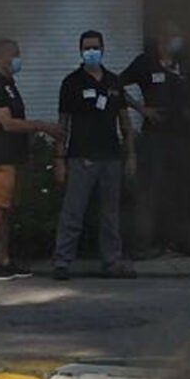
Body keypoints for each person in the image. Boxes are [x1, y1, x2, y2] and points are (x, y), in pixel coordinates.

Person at [0, 38, 64, 280]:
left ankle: (4, 259)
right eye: (15, 54)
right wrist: (41, 126)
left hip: (12, 158)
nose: (18, 58)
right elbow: (7, 123)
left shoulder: (9, 85)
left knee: (5, 212)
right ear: (2, 56)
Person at [52, 30, 134, 281]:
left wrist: (131, 155)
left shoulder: (113, 81)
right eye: (87, 48)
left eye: (95, 47)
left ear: (103, 49)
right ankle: (62, 262)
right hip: (81, 157)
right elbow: (63, 123)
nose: (91, 52)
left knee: (110, 214)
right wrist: (59, 159)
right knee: (73, 211)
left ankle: (112, 262)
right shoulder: (71, 83)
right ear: (80, 51)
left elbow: (125, 121)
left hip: (111, 156)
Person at [120, 25, 190, 260]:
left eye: (176, 35)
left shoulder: (184, 64)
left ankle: (180, 240)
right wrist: (141, 109)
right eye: (168, 35)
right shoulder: (145, 62)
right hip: (155, 135)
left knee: (180, 189)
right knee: (149, 190)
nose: (173, 40)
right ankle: (142, 245)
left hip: (180, 136)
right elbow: (116, 84)